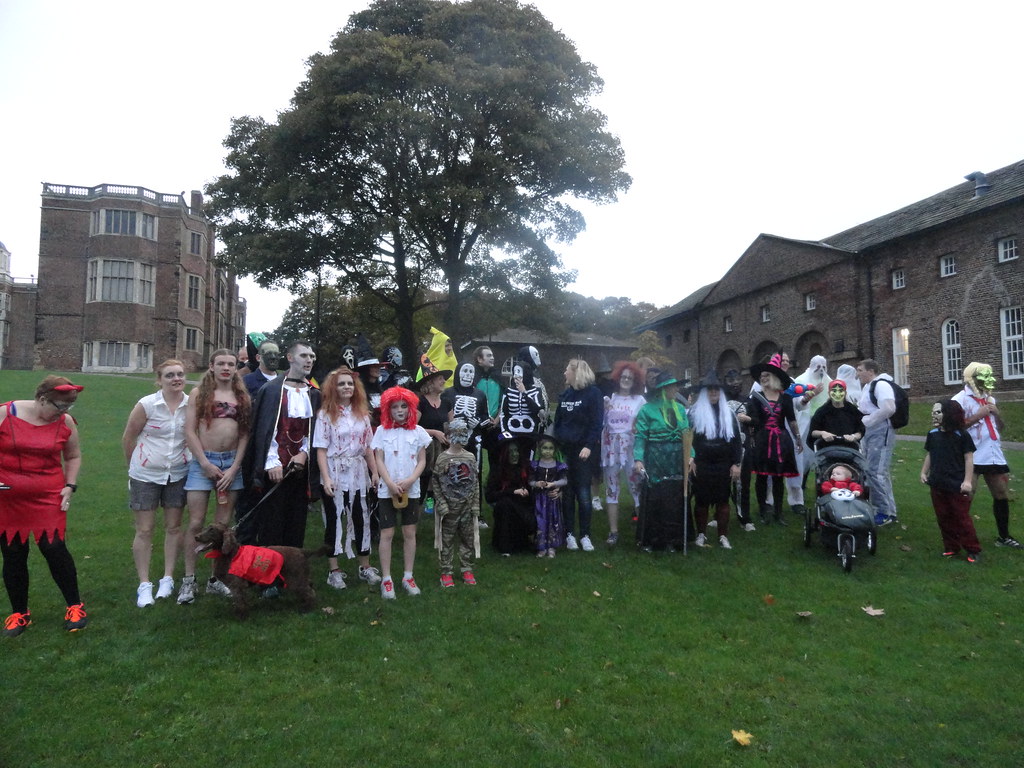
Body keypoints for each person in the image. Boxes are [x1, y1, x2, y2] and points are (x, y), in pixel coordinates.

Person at [1, 377, 87, 636]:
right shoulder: (5, 414)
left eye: (68, 407)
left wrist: (70, 485)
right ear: (41, 399)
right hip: (8, 497)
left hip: (49, 494)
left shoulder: (65, 422)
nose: (63, 412)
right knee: (13, 551)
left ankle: (75, 607)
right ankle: (19, 614)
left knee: (54, 547)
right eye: (59, 406)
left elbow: (73, 455)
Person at [180, 349, 251, 604]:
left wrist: (234, 468)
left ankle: (215, 579)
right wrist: (204, 462)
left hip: (231, 464)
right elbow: (190, 431)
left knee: (222, 526)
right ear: (211, 366)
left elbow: (244, 434)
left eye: (230, 364)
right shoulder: (199, 394)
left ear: (236, 368)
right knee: (196, 523)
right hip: (203, 463)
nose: (225, 368)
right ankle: (189, 580)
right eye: (220, 363)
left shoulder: (241, 396)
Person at [238, 340, 321, 548]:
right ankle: (270, 568)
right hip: (274, 468)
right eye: (304, 356)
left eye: (312, 357)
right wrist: (271, 461)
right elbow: (264, 430)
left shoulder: (313, 393)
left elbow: (314, 430)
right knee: (271, 525)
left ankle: (292, 566)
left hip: (300, 468)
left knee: (296, 522)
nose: (309, 360)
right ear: (290, 358)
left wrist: (304, 454)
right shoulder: (272, 390)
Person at [123, 359, 190, 608]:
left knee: (174, 527)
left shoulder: (191, 405)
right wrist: (135, 466)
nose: (176, 379)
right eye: (170, 375)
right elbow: (129, 438)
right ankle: (144, 584)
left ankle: (168, 578)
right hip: (146, 475)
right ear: (159, 380)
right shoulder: (147, 405)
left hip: (178, 473)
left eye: (180, 374)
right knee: (145, 529)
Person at [314, 367, 381, 590]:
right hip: (334, 471)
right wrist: (326, 478)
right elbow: (321, 449)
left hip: (358, 473)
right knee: (334, 520)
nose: (346, 387)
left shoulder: (362, 414)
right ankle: (334, 570)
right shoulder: (325, 415)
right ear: (334, 388)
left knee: (361, 518)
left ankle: (365, 566)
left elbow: (368, 447)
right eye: (341, 384)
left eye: (350, 383)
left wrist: (374, 473)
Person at [953, 362, 1022, 548]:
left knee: (1001, 493)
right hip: (972, 453)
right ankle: (959, 537)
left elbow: (1000, 427)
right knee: (967, 495)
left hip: (992, 453)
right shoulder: (959, 400)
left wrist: (996, 414)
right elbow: (954, 428)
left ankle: (1004, 536)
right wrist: (978, 415)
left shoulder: (990, 399)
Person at [372, 386, 431, 598]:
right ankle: (387, 579)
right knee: (387, 533)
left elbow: (422, 460)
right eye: (395, 406)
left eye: (403, 406)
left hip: (411, 489)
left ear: (410, 408)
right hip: (387, 490)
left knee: (409, 532)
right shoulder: (381, 431)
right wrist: (388, 482)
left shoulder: (418, 432)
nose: (399, 410)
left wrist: (411, 479)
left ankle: (408, 576)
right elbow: (378, 458)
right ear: (387, 409)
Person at [744, 354, 802, 526]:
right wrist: (747, 420)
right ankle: (763, 510)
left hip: (781, 441)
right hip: (762, 440)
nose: (763, 378)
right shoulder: (756, 397)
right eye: (761, 376)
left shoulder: (785, 398)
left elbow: (791, 420)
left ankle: (778, 512)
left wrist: (798, 438)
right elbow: (754, 420)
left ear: (775, 377)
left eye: (766, 375)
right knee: (762, 477)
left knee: (778, 477)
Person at [633, 372, 689, 551]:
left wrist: (691, 456)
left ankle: (675, 540)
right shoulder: (647, 410)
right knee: (656, 498)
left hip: (677, 459)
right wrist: (638, 459)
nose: (676, 389)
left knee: (675, 499)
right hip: (656, 459)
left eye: (676, 386)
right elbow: (641, 437)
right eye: (672, 386)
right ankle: (654, 540)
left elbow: (687, 436)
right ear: (663, 389)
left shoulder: (680, 409)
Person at [554, 358, 604, 552]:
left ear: (576, 372)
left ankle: (585, 535)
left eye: (567, 369)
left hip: (584, 452)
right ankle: (569, 534)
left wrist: (589, 446)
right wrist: (558, 443)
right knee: (567, 494)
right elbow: (558, 422)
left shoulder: (593, 394)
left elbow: (596, 423)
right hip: (565, 450)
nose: (564, 373)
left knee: (583, 494)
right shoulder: (565, 395)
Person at [688, 371, 742, 549]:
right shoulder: (695, 414)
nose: (713, 392)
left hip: (723, 464)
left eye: (717, 390)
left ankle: (723, 536)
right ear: (705, 392)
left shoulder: (729, 414)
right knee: (701, 500)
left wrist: (736, 463)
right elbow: (689, 439)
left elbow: (736, 441)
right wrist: (690, 458)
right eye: (710, 389)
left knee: (723, 500)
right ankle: (701, 534)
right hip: (701, 464)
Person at [921, 400, 981, 562]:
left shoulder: (961, 435)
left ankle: (972, 549)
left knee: (961, 518)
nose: (933, 415)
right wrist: (924, 472)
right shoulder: (932, 434)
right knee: (943, 517)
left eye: (938, 412)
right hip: (937, 483)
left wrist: (967, 481)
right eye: (933, 412)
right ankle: (951, 547)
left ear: (949, 414)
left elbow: (969, 458)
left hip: (956, 484)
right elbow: (930, 454)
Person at [600, 361, 646, 546]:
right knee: (611, 490)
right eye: (624, 377)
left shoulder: (640, 401)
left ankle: (643, 531)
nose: (626, 380)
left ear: (635, 381)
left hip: (631, 452)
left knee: (637, 490)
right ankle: (613, 532)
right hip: (611, 452)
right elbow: (603, 425)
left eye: (630, 378)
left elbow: (643, 426)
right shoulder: (610, 399)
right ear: (618, 378)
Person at [432, 419, 480, 587]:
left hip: (467, 506)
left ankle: (467, 568)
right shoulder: (442, 458)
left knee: (468, 539)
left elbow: (475, 482)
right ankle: (446, 571)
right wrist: (441, 503)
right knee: (446, 540)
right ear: (449, 436)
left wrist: (475, 504)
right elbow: (436, 482)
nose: (460, 437)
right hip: (449, 508)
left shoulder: (470, 457)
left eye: (463, 433)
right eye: (457, 434)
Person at [855, 359, 898, 526]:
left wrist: (868, 421)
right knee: (873, 470)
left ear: (871, 371)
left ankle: (884, 512)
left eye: (860, 370)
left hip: (880, 430)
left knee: (876, 471)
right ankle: (887, 510)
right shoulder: (868, 387)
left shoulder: (881, 385)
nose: (858, 374)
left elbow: (889, 408)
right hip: (870, 431)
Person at [786, 355, 830, 516]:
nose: (821, 369)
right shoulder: (800, 380)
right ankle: (796, 494)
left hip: (821, 425)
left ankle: (821, 489)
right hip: (802, 424)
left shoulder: (828, 381)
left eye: (823, 366)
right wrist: (809, 396)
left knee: (817, 458)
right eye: (817, 366)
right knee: (800, 459)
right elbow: (798, 403)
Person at [486, 438, 535, 556]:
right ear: (505, 454)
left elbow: (532, 494)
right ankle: (505, 546)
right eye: (510, 452)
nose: (514, 454)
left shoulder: (525, 469)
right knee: (505, 503)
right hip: (505, 510)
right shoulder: (497, 471)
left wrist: (526, 492)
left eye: (516, 451)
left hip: (522, 507)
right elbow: (490, 496)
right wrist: (512, 492)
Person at [415, 367, 453, 508]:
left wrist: (450, 436)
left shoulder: (447, 402)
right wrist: (434, 432)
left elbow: (452, 425)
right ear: (430, 382)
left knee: (441, 480)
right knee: (424, 478)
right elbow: (412, 428)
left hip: (443, 449)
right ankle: (417, 508)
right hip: (424, 450)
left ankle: (435, 505)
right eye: (440, 379)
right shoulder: (421, 402)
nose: (444, 381)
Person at [529, 436, 567, 558]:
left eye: (551, 448)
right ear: (539, 449)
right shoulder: (535, 465)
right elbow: (530, 481)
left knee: (553, 521)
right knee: (540, 521)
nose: (547, 451)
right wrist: (537, 484)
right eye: (545, 448)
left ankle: (551, 546)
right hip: (539, 499)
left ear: (555, 450)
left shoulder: (558, 465)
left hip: (552, 499)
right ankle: (541, 546)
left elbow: (564, 480)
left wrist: (554, 484)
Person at [499, 355, 545, 444]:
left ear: (526, 373)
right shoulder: (508, 391)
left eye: (519, 372)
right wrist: (504, 431)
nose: (516, 375)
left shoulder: (536, 391)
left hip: (531, 432)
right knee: (499, 440)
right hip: (511, 431)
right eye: (515, 372)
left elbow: (537, 409)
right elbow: (503, 413)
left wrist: (524, 393)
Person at [807, 379, 864, 450]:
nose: (837, 394)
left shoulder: (852, 410)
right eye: (834, 391)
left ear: (845, 393)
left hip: (850, 449)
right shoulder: (822, 411)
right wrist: (822, 433)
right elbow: (813, 432)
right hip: (827, 449)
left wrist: (853, 436)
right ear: (829, 393)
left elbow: (861, 430)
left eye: (841, 391)